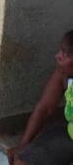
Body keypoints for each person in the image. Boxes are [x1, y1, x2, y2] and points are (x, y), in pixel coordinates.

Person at [7, 31, 73, 165]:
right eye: (60, 50)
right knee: (22, 161)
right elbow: (45, 107)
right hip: (70, 135)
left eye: (65, 54)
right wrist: (24, 144)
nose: (57, 56)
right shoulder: (63, 73)